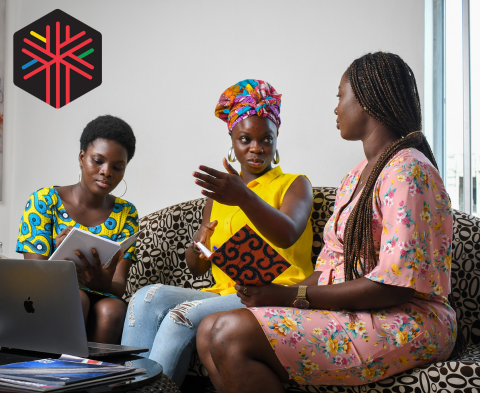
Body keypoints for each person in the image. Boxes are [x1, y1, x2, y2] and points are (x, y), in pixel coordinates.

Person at [197, 53, 465, 392]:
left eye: (340, 96)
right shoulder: (355, 177)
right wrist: (270, 294)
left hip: (408, 318)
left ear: (367, 100)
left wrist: (290, 295)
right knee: (208, 331)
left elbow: (395, 286)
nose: (336, 108)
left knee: (227, 333)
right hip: (358, 310)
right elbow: (328, 271)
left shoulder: (408, 171)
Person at [121, 79, 314, 386]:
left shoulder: (295, 184)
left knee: (179, 316)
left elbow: (288, 234)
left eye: (267, 139)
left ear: (277, 139)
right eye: (245, 139)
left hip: (274, 291)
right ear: (232, 140)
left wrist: (243, 196)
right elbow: (198, 267)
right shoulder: (219, 196)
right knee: (147, 297)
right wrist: (198, 245)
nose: (256, 148)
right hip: (224, 293)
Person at [16, 115, 139, 344]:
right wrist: (59, 258)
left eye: (117, 167)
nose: (106, 172)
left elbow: (118, 287)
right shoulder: (44, 201)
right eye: (97, 161)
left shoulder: (127, 213)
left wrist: (99, 280)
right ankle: (59, 374)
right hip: (48, 295)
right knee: (77, 297)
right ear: (82, 157)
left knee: (112, 309)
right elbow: (32, 278)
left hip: (100, 295)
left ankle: (96, 378)